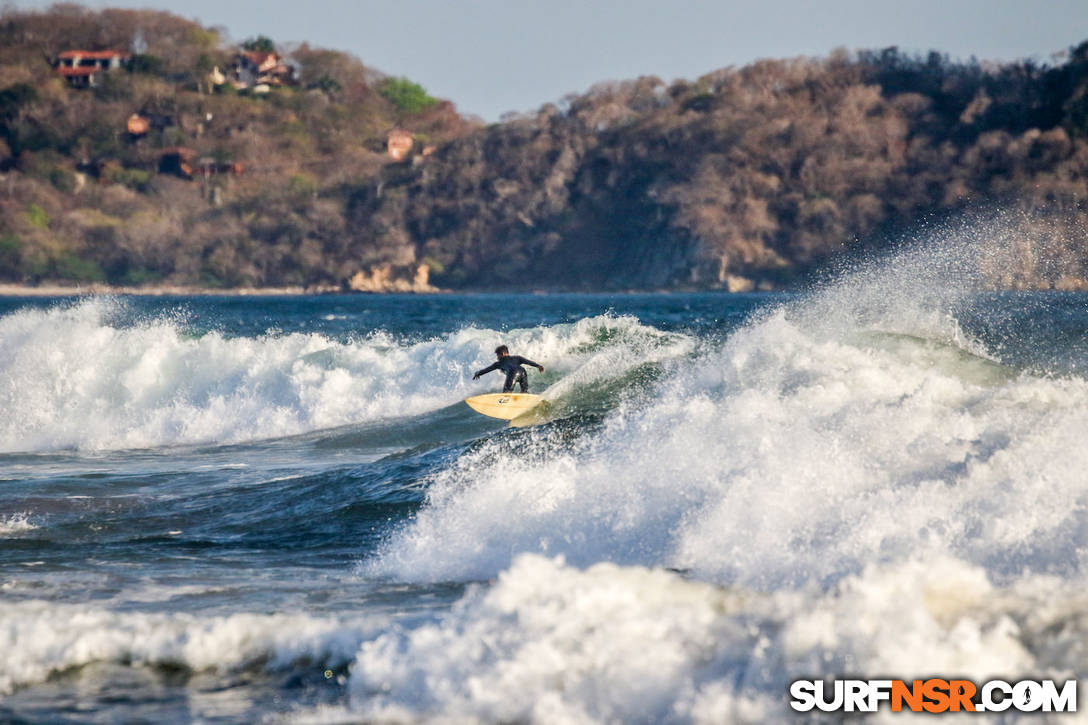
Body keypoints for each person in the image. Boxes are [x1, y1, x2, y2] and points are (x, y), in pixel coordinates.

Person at [473, 345, 545, 393]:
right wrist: (538, 366)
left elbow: (487, 369)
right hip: (523, 371)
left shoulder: (498, 363)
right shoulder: (517, 358)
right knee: (524, 392)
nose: (497, 357)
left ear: (503, 354)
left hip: (513, 373)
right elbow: (528, 362)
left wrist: (478, 373)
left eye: (498, 355)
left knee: (507, 393)